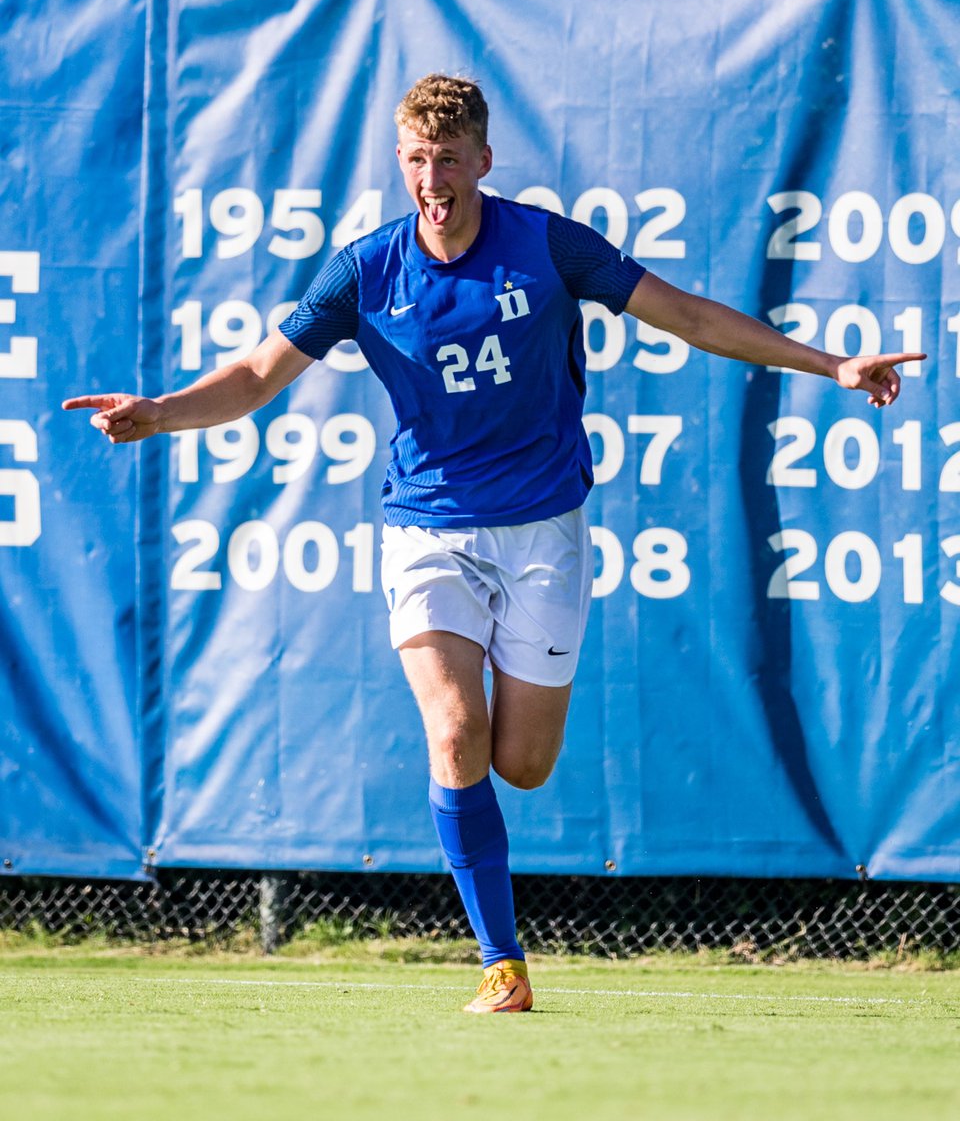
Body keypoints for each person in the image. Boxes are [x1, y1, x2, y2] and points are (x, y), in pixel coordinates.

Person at [64, 73, 924, 1013]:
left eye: (449, 159)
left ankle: (500, 920)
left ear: (483, 159)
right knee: (453, 730)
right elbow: (257, 375)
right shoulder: (365, 270)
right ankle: (500, 962)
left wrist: (831, 363)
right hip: (427, 529)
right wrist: (161, 412)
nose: (432, 179)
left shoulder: (549, 246)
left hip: (544, 529)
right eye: (416, 160)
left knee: (522, 764)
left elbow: (687, 315)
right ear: (401, 162)